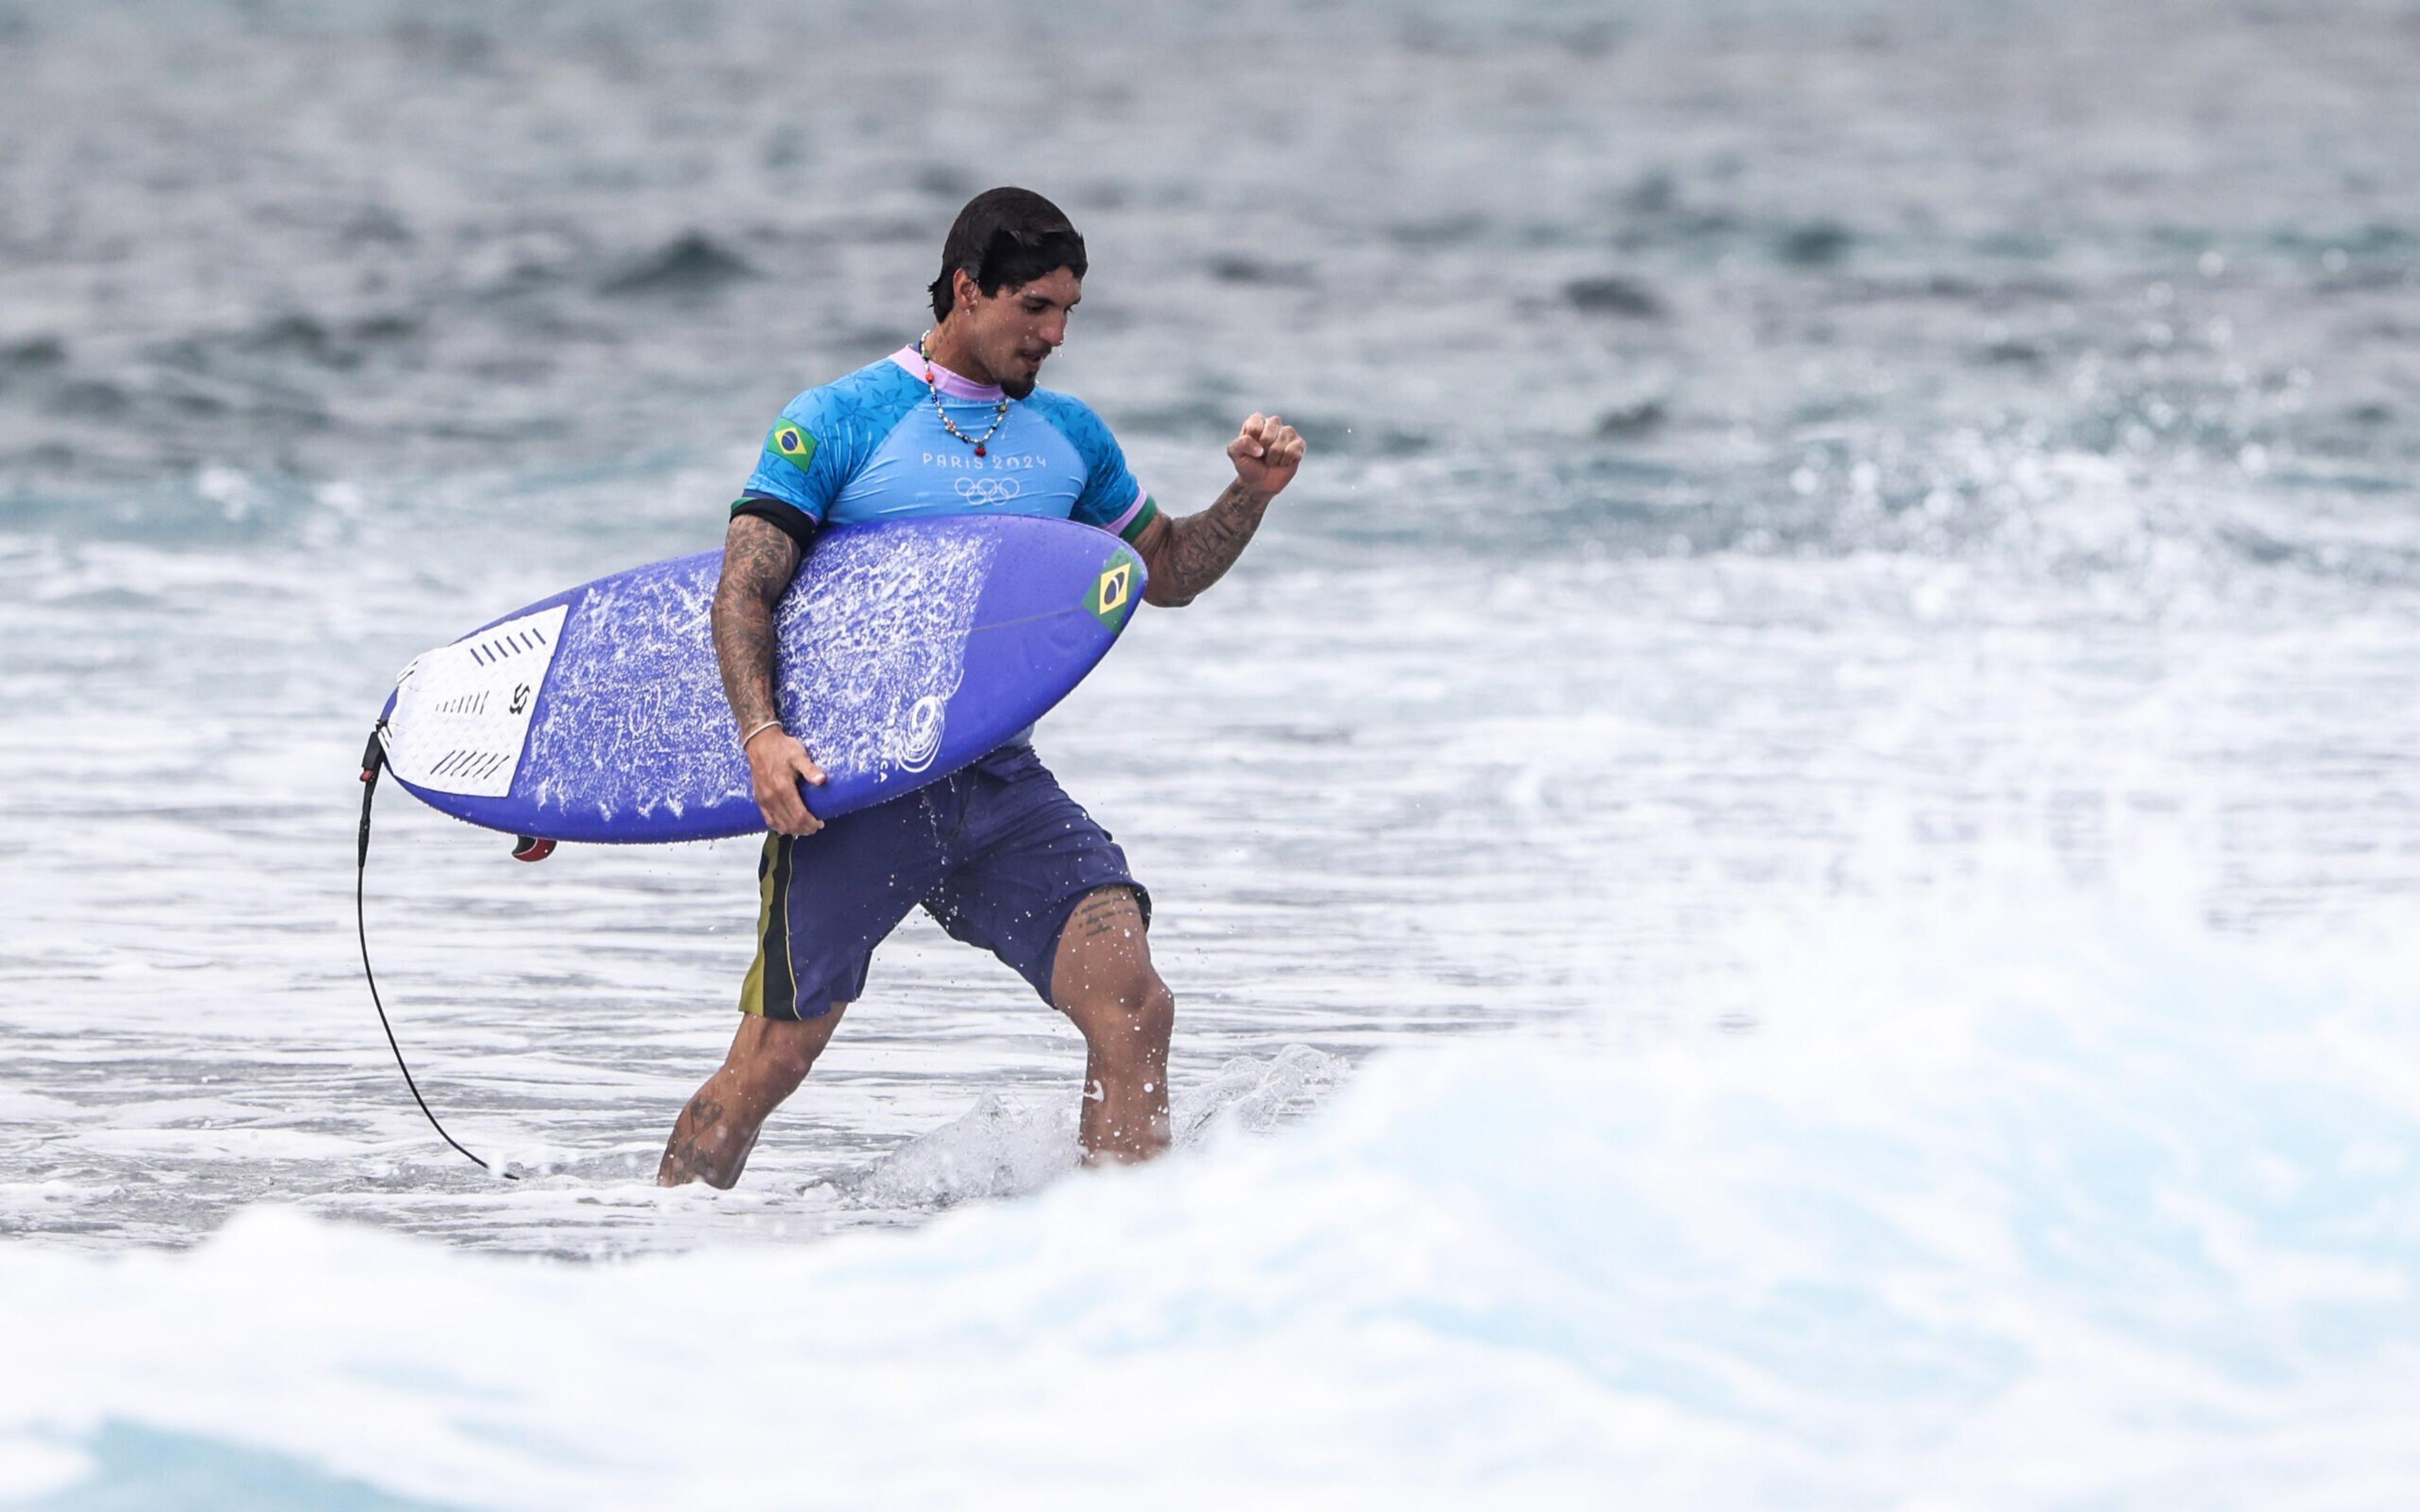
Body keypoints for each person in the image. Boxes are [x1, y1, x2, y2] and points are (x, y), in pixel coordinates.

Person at [658, 187, 1305, 1188]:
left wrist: (1248, 499)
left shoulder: (1070, 439)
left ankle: (1129, 1257)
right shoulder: (840, 420)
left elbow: (1164, 572)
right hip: (855, 788)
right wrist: (763, 735)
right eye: (1035, 308)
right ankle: (652, 1248)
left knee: (1134, 1001)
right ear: (968, 289)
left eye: (1067, 313)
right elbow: (745, 586)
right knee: (772, 1061)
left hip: (996, 782)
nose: (1054, 335)